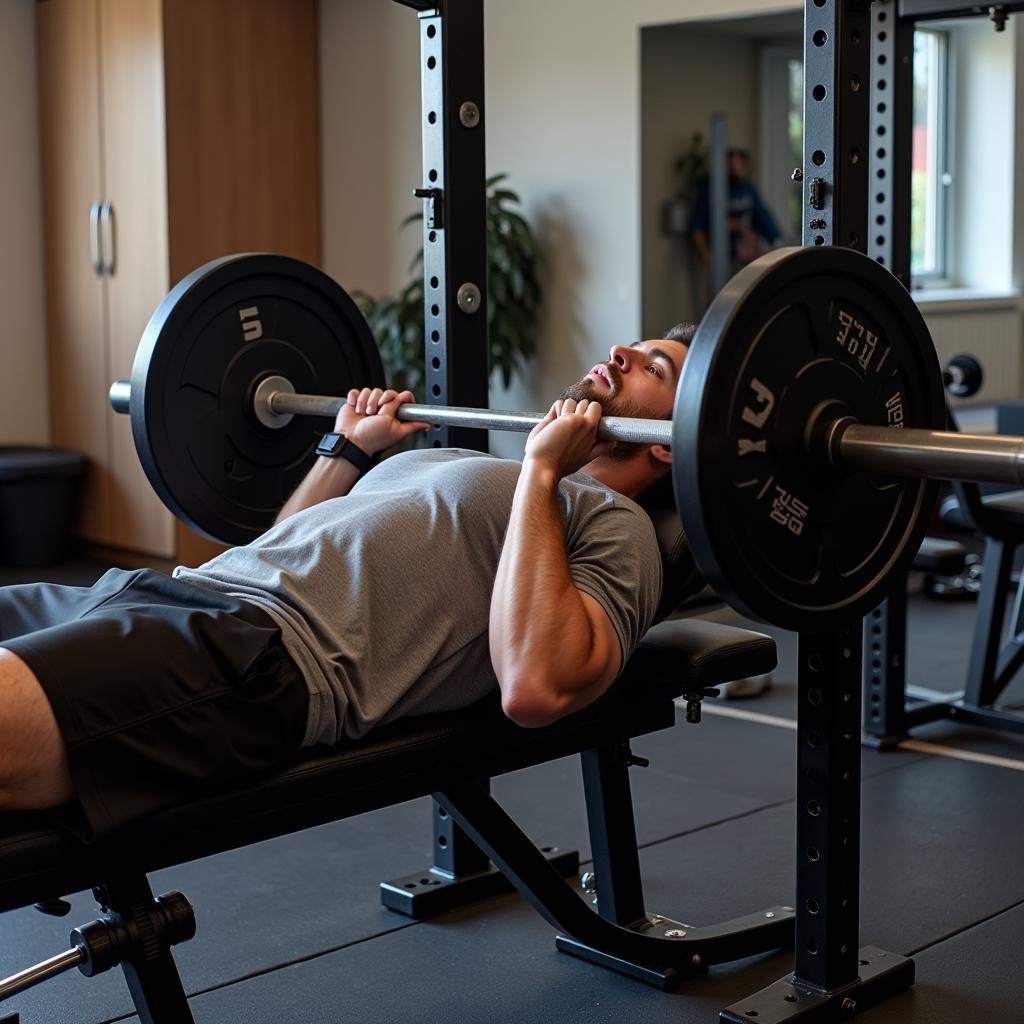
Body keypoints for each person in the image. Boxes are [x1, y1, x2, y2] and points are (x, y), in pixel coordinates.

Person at [0, 327, 693, 841]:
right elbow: (280, 546)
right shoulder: (471, 461)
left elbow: (536, 686)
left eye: (653, 367)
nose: (624, 352)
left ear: (667, 442)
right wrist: (348, 450)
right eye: (635, 344)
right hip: (173, 592)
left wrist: (544, 474)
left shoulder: (615, 528)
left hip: (251, 659)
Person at [689, 148, 782, 274]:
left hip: (747, 259)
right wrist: (707, 257)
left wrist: (778, 243)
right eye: (730, 164)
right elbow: (696, 227)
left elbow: (764, 219)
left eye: (739, 164)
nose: (735, 168)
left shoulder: (748, 190)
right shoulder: (712, 190)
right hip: (721, 258)